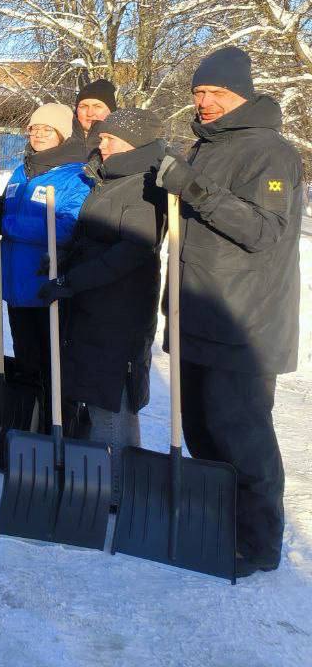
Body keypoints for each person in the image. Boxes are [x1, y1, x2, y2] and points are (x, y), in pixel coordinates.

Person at [155, 47, 301, 577]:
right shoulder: (204, 146)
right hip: (198, 313)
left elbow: (263, 229)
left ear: (242, 94)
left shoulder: (270, 152)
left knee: (241, 434)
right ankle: (220, 522)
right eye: (198, 93)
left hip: (245, 322)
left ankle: (258, 543)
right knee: (201, 429)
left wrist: (193, 187)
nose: (205, 101)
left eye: (216, 92)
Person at [46, 108, 167, 505]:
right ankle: (102, 482)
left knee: (111, 398)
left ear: (136, 145)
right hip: (94, 307)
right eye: (102, 137)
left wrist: (72, 280)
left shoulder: (144, 186)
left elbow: (129, 251)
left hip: (120, 310)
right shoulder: (109, 180)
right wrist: (64, 263)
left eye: (111, 138)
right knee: (95, 394)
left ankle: (116, 490)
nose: (102, 143)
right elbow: (95, 240)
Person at [0, 103, 90, 415]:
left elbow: (69, 226)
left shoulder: (76, 176)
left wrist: (9, 224)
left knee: (53, 365)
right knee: (28, 363)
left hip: (47, 289)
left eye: (47, 129)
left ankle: (58, 422)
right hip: (17, 288)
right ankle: (31, 421)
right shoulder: (20, 171)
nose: (38, 134)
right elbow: (5, 211)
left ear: (63, 134)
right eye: (34, 128)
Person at [73, 78, 116, 153]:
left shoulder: (122, 144)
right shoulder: (60, 139)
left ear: (111, 111)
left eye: (97, 106)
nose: (90, 113)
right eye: (84, 106)